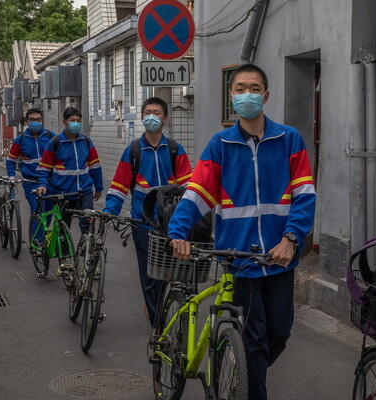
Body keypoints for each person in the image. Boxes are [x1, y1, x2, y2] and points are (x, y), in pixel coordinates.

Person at [167, 63, 316, 400]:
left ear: (265, 95)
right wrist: (178, 231)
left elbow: (305, 194)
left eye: (254, 88)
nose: (247, 94)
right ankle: (251, 389)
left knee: (280, 333)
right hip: (240, 258)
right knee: (254, 338)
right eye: (240, 88)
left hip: (280, 257)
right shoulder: (220, 144)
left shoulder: (289, 139)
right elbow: (197, 194)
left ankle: (248, 374)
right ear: (231, 96)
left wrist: (291, 238)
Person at [103, 97, 193, 325]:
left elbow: (188, 187)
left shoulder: (175, 150)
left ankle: (159, 305)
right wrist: (109, 211)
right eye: (148, 112)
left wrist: (190, 215)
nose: (152, 116)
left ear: (165, 118)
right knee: (150, 274)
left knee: (169, 271)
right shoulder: (133, 150)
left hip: (172, 223)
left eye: (157, 112)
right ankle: (158, 326)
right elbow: (119, 186)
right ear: (142, 117)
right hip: (143, 223)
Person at [36, 107, 103, 274]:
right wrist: (43, 184)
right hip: (62, 193)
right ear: (64, 122)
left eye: (78, 121)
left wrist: (99, 187)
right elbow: (44, 168)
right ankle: (65, 262)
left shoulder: (86, 142)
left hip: (84, 191)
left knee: (87, 226)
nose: (76, 124)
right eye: (72, 121)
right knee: (62, 227)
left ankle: (89, 262)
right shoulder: (55, 143)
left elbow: (95, 166)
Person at [6, 108, 54, 239]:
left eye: (38, 119)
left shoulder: (51, 137)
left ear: (42, 120)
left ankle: (42, 236)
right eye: (32, 120)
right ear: (27, 121)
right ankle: (38, 243)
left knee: (49, 212)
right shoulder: (20, 140)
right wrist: (11, 177)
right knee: (37, 210)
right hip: (31, 183)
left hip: (50, 182)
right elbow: (10, 160)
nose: (35, 122)